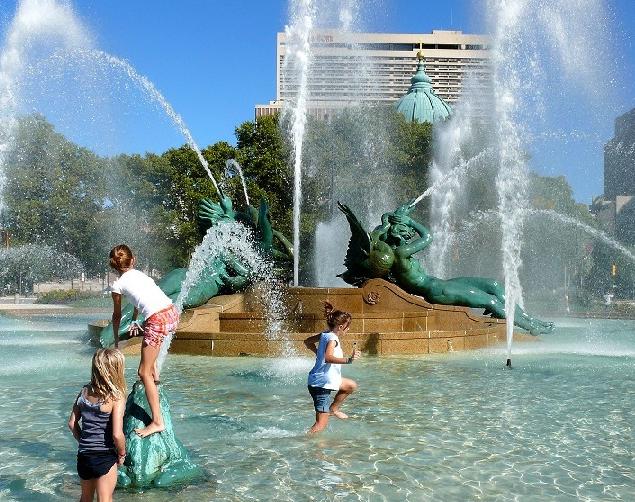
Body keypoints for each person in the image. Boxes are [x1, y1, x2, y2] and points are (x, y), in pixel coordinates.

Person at [109, 244, 180, 437]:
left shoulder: (117, 285)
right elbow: (138, 299)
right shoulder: (141, 275)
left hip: (156, 319)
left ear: (113, 267)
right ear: (133, 261)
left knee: (142, 372)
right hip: (172, 313)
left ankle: (157, 421)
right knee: (149, 351)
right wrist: (134, 319)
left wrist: (116, 342)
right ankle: (155, 376)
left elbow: (116, 316)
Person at [68, 348, 126, 502]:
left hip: (84, 455)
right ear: (116, 370)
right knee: (104, 498)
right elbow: (117, 434)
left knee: (85, 498)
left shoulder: (84, 392)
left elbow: (72, 424)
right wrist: (121, 454)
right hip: (105, 455)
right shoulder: (116, 397)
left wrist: (84, 443)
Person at [304, 302, 361, 433]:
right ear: (341, 327)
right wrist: (349, 360)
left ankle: (333, 409)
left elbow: (307, 342)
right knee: (320, 426)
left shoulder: (325, 334)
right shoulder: (332, 339)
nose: (348, 329)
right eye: (347, 327)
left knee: (350, 385)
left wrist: (317, 353)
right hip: (321, 384)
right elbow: (328, 358)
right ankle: (305, 444)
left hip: (324, 379)